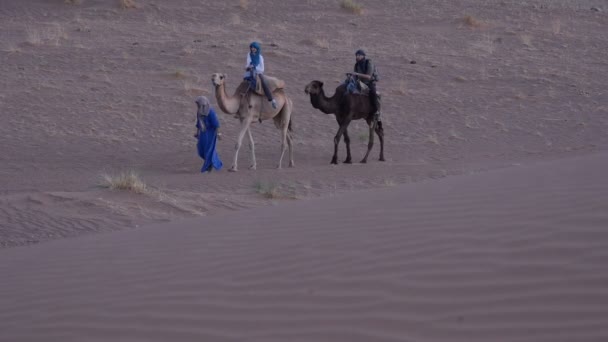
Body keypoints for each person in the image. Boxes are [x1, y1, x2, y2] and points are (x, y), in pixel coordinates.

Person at [351, 49, 382, 128]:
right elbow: (355, 75)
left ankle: (375, 111)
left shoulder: (369, 63)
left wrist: (357, 74)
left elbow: (369, 76)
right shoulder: (357, 65)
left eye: (359, 55)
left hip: (370, 83)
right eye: (356, 55)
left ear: (363, 56)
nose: (357, 57)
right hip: (360, 83)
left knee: (373, 93)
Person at [193, 96, 223, 173]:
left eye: (198, 104)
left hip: (211, 134)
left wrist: (219, 134)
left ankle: (207, 168)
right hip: (203, 134)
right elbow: (198, 123)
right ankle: (213, 162)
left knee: (208, 150)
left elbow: (216, 124)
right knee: (201, 150)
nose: (197, 106)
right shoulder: (199, 112)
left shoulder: (211, 112)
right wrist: (197, 133)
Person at [244, 41, 277, 109]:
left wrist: (255, 68)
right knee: (244, 82)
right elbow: (247, 63)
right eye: (252, 47)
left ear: (257, 49)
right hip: (250, 71)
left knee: (264, 83)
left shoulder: (260, 57)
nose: (253, 49)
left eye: (254, 48)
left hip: (258, 72)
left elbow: (262, 68)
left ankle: (271, 100)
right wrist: (248, 67)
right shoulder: (249, 55)